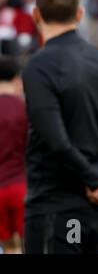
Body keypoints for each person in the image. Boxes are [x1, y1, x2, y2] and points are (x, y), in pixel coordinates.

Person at [22, 0, 98, 254]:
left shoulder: (39, 67)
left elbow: (56, 140)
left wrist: (96, 182)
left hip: (56, 207)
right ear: (80, 13)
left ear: (36, 15)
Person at [0, 56, 27, 254]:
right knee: (30, 245)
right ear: (16, 79)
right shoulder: (26, 109)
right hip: (22, 186)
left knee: (9, 248)